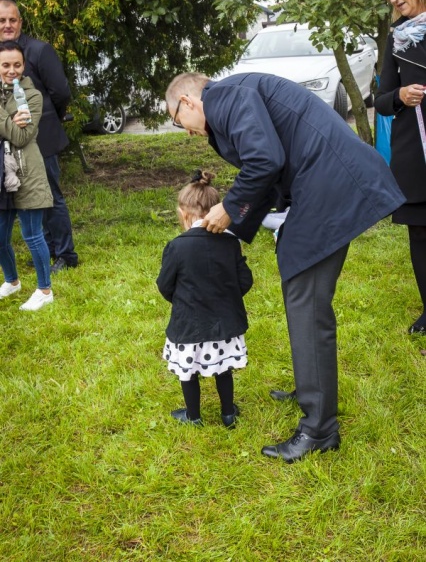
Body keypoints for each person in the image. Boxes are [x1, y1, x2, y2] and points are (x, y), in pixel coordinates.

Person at [165, 71, 405, 462]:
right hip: (322, 184)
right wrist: (235, 227)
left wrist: (230, 207)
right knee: (298, 283)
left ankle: (319, 429)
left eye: (179, 121)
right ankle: (312, 388)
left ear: (188, 102)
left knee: (306, 301)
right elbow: (271, 168)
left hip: (329, 185)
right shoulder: (232, 97)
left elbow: (265, 160)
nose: (187, 131)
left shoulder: (223, 99)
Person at [156, 169, 253, 428]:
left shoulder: (177, 246)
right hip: (225, 324)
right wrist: (227, 298)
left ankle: (193, 416)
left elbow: (165, 284)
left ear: (184, 214)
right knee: (223, 369)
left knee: (188, 373)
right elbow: (245, 280)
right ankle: (228, 413)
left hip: (189, 324)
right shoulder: (231, 243)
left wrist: (183, 302)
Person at [0, 0, 78, 273]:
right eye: (1, 21)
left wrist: (47, 119)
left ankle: (65, 255)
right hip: (8, 143)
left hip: (41, 138)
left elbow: (61, 92)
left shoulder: (39, 50)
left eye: (12, 20)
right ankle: (45, 250)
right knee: (28, 199)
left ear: (20, 22)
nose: (7, 25)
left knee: (50, 197)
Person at [375, 0, 426, 339]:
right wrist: (400, 96)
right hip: (414, 153)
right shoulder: (397, 38)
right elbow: (381, 100)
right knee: (420, 235)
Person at [0, 41, 54, 311]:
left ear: (24, 66)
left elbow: (21, 136)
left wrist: (6, 122)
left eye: (17, 65)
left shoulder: (32, 96)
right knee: (0, 237)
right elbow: (11, 129)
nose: (12, 70)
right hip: (3, 174)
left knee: (32, 235)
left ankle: (45, 290)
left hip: (28, 172)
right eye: (5, 65)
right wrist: (9, 121)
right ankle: (12, 281)